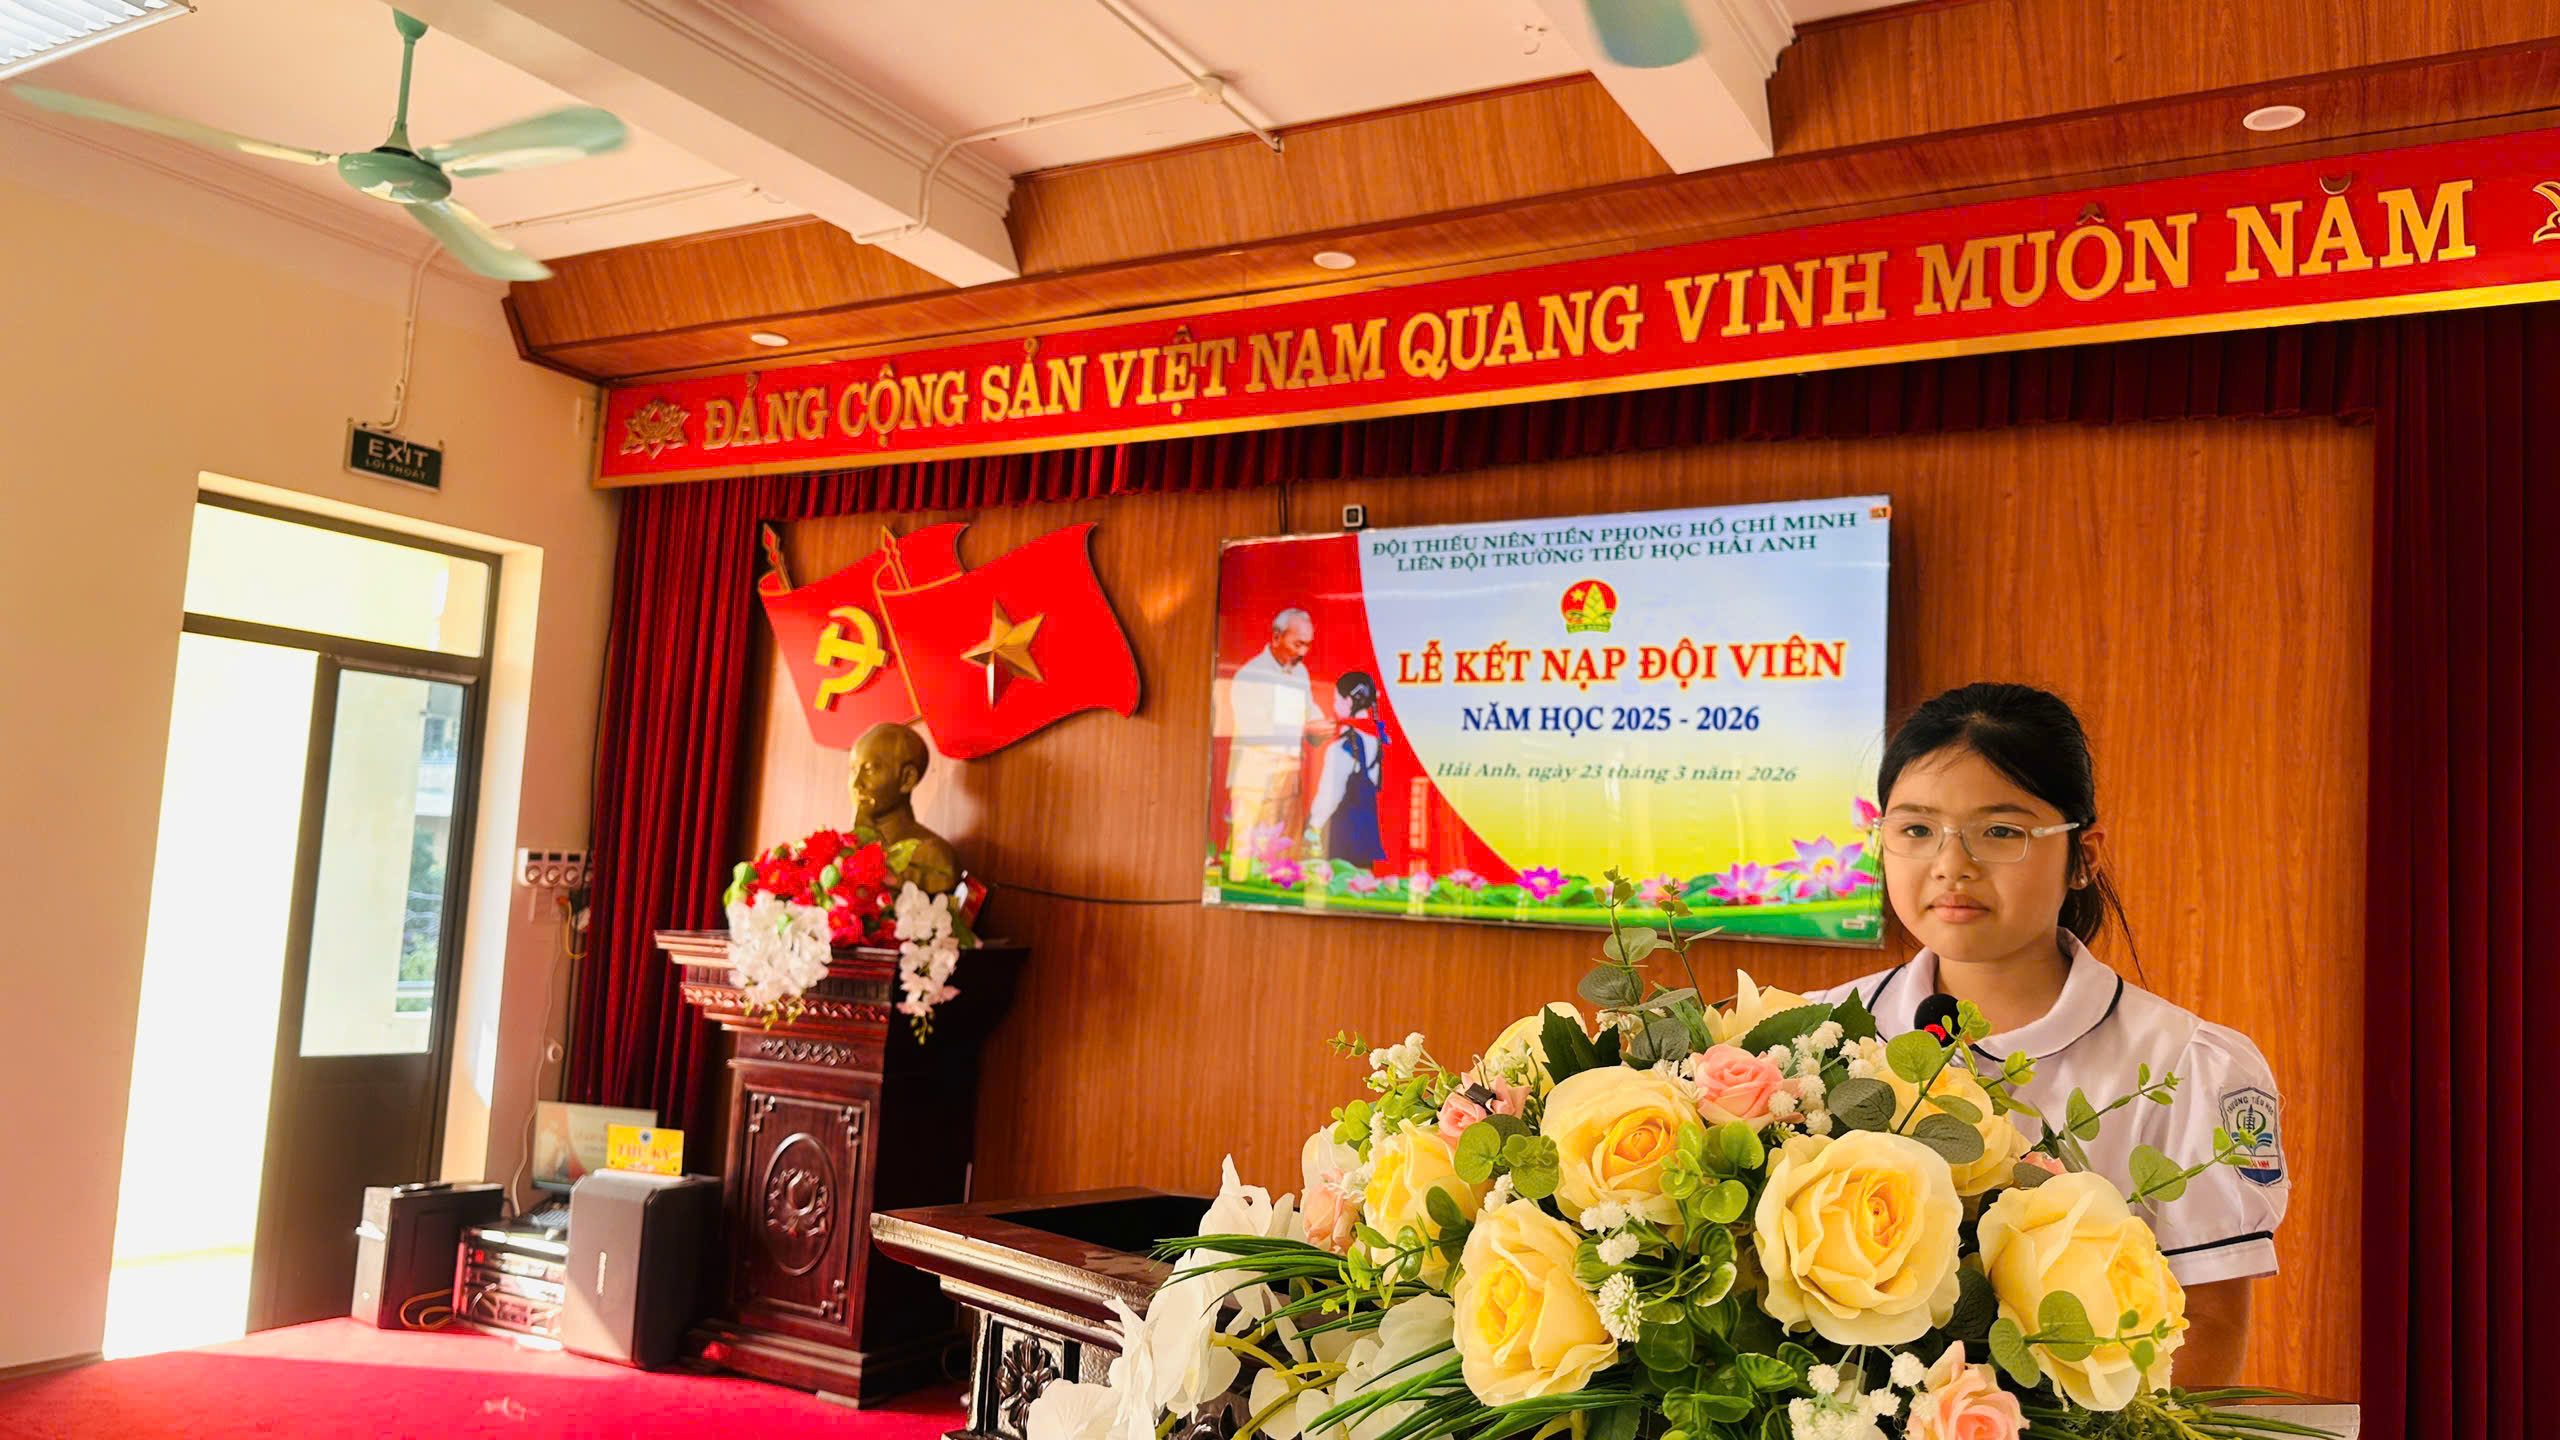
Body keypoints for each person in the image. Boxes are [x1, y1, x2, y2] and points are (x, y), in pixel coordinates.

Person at [1806, 683, 2286, 1387]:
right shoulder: (1812, 1036)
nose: (1951, 864)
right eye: (1916, 830)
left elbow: (2207, 1328)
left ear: (2084, 855)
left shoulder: (2186, 1066)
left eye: (2001, 832)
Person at [1223, 608, 1322, 879]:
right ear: (1277, 637)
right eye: (1298, 644)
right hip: (1255, 779)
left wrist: (1323, 725)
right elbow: (1256, 729)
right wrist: (1303, 728)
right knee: (1251, 856)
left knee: (1287, 855)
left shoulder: (1300, 672)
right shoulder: (1250, 674)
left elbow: (1309, 709)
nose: (1303, 652)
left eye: (1308, 645)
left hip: (1289, 778)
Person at [1305, 669, 1389, 867]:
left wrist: (1313, 826)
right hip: (1366, 840)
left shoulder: (1342, 746)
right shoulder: (1376, 740)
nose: (1334, 705)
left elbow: (1329, 796)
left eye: (1336, 699)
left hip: (1341, 839)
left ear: (1349, 701)